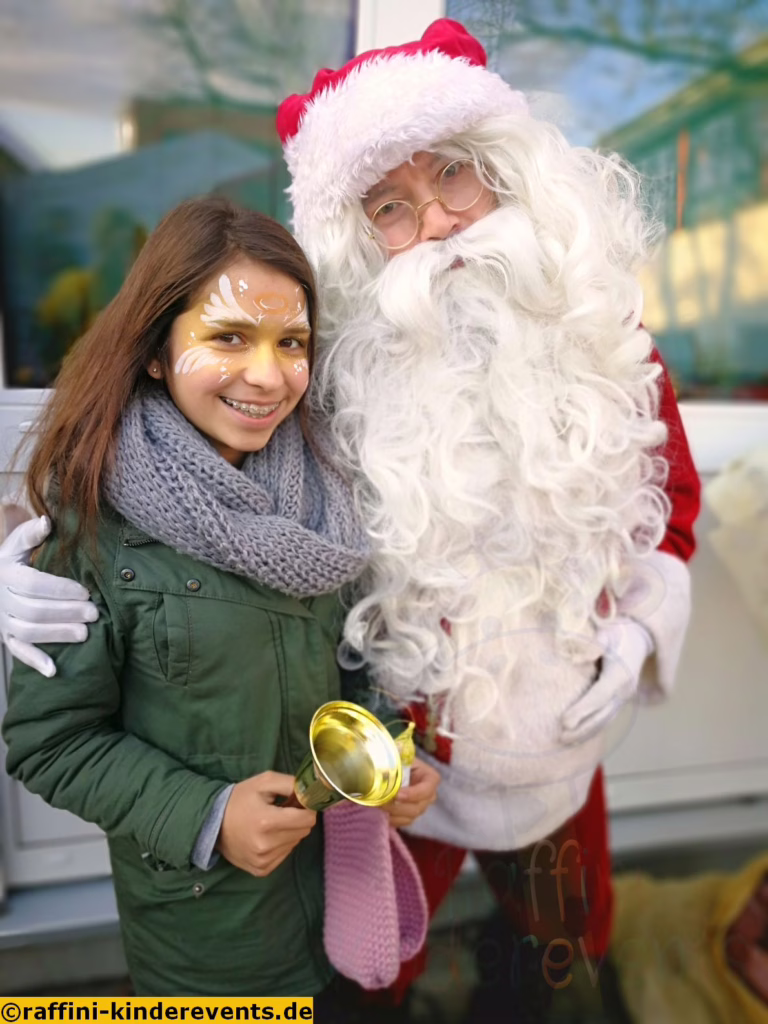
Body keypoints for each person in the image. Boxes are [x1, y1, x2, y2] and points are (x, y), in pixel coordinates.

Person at [0, 17, 701, 1016]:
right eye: (392, 205)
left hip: (563, 752)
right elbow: (161, 453)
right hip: (401, 757)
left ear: (505, 170)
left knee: (563, 943)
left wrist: (638, 628)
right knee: (375, 964)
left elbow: (673, 500)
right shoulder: (328, 376)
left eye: (455, 176)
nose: (441, 223)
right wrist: (20, 548)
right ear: (359, 237)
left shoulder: (606, 342)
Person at [1, 194, 413, 1000]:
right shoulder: (93, 529)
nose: (268, 374)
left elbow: (359, 669)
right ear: (155, 350)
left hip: (340, 911)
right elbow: (48, 742)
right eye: (228, 337)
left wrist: (395, 754)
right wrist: (206, 814)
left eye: (291, 342)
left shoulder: (328, 505)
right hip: (210, 951)